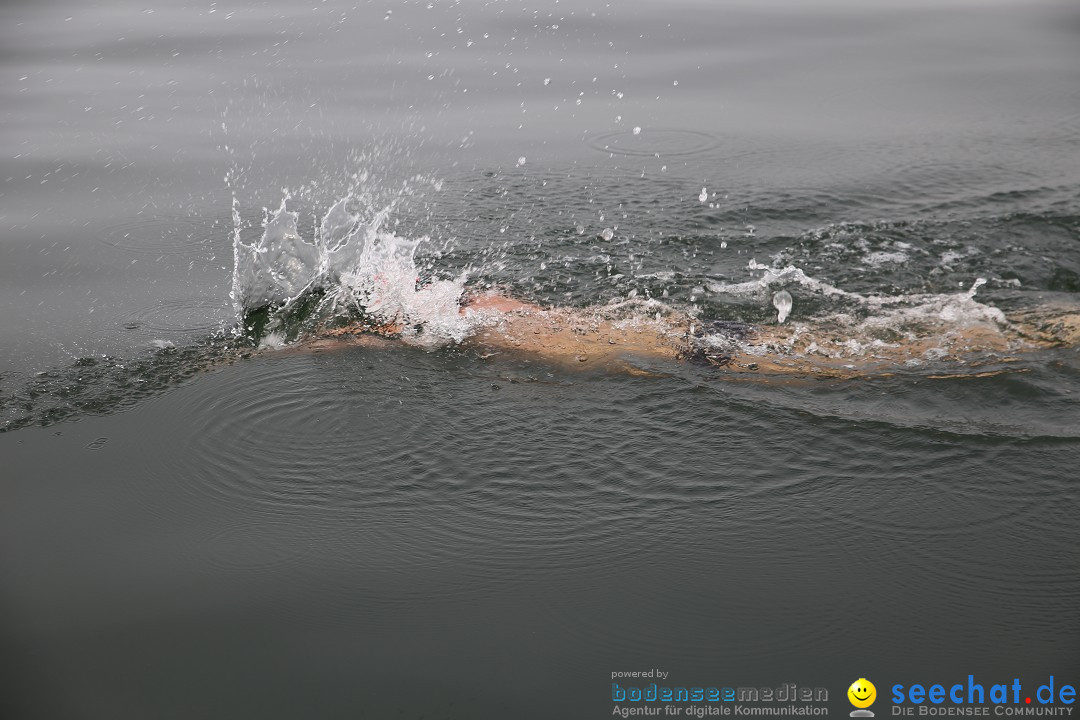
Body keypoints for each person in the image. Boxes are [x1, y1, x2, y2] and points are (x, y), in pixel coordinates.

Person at [298, 289, 1080, 378]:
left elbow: (353, 342)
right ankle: (1053, 329)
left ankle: (1056, 336)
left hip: (700, 354)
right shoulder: (489, 305)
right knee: (887, 337)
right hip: (686, 330)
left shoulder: (470, 339)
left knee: (889, 359)